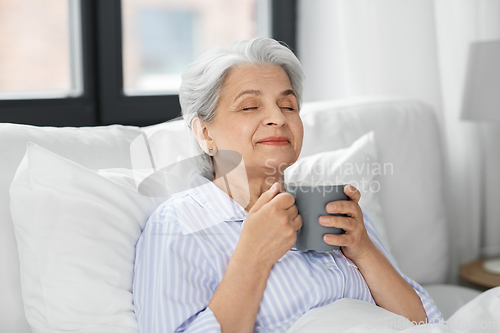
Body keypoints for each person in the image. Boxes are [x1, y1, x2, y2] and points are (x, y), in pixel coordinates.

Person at [133, 37, 443, 332]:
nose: (278, 118)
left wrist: (363, 249)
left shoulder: (330, 207)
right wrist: (253, 255)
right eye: (250, 106)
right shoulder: (179, 225)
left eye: (288, 106)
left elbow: (425, 323)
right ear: (205, 134)